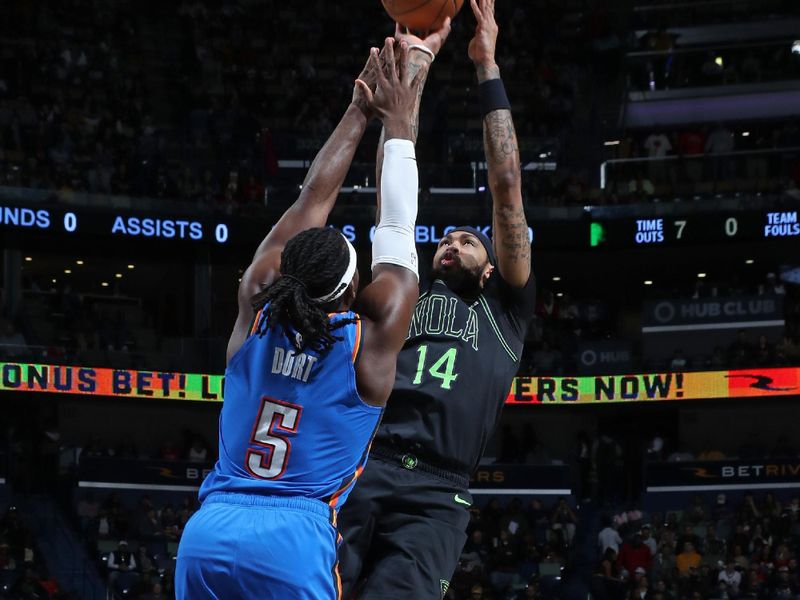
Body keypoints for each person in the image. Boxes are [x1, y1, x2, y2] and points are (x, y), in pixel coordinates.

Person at [175, 38, 429, 600]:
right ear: (352, 289)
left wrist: (359, 109)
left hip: (209, 532)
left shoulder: (255, 307)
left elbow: (310, 199)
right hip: (294, 535)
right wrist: (401, 124)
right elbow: (397, 227)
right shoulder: (369, 342)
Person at [338, 1, 536, 598]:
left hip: (439, 492)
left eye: (466, 239)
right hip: (365, 464)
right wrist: (414, 68)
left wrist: (486, 65)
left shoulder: (505, 309)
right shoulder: (406, 294)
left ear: (494, 262)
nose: (451, 242)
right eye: (444, 239)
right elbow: (390, 193)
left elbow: (506, 189)